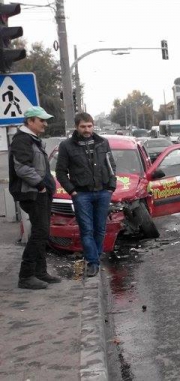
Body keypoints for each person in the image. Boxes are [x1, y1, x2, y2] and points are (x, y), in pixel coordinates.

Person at [55, 113, 116, 277]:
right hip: (82, 194)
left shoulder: (103, 143)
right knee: (86, 230)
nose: (87, 129)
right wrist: (72, 191)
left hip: (103, 192)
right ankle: (93, 262)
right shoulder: (67, 146)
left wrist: (111, 187)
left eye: (89, 126)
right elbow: (60, 172)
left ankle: (94, 258)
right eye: (83, 126)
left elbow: (111, 166)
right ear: (77, 127)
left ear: (93, 125)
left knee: (100, 229)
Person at [9, 106, 62, 289]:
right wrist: (40, 185)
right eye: (42, 121)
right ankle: (26, 276)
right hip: (31, 192)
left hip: (40, 192)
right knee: (40, 232)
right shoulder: (22, 140)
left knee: (43, 232)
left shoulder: (33, 139)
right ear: (30, 121)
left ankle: (40, 272)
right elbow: (22, 168)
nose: (45, 124)